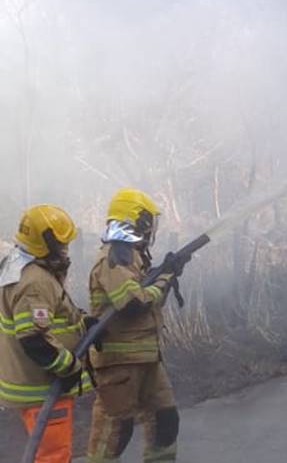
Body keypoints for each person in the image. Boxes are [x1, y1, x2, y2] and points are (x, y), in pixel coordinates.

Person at [87, 188, 186, 463]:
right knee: (114, 435)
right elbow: (133, 304)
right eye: (149, 221)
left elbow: (150, 303)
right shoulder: (114, 257)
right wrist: (164, 278)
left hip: (148, 359)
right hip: (120, 363)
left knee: (166, 422)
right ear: (138, 221)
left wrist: (169, 272)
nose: (152, 228)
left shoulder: (133, 256)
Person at [0, 204, 93, 463]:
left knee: (45, 454)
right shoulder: (35, 282)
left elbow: (52, 318)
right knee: (53, 457)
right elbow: (34, 338)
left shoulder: (20, 268)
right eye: (62, 243)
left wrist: (85, 322)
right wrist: (70, 367)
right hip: (43, 386)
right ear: (47, 243)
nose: (65, 249)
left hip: (32, 385)